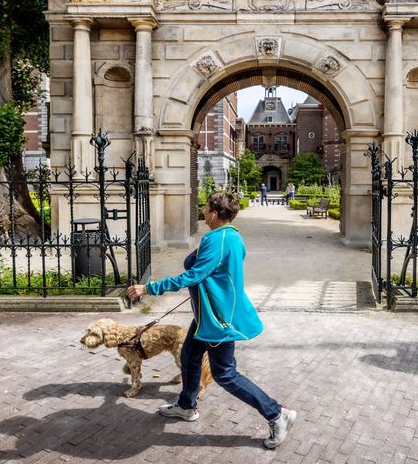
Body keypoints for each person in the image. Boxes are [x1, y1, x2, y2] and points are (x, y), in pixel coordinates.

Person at [126, 192, 297, 449]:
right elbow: (214, 274)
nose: (203, 212)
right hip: (208, 316)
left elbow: (193, 275)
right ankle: (186, 405)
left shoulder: (218, 239)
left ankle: (275, 412)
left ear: (215, 214)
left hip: (217, 320)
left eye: (205, 208)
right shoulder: (231, 236)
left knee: (225, 374)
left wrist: (149, 288)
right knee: (190, 357)